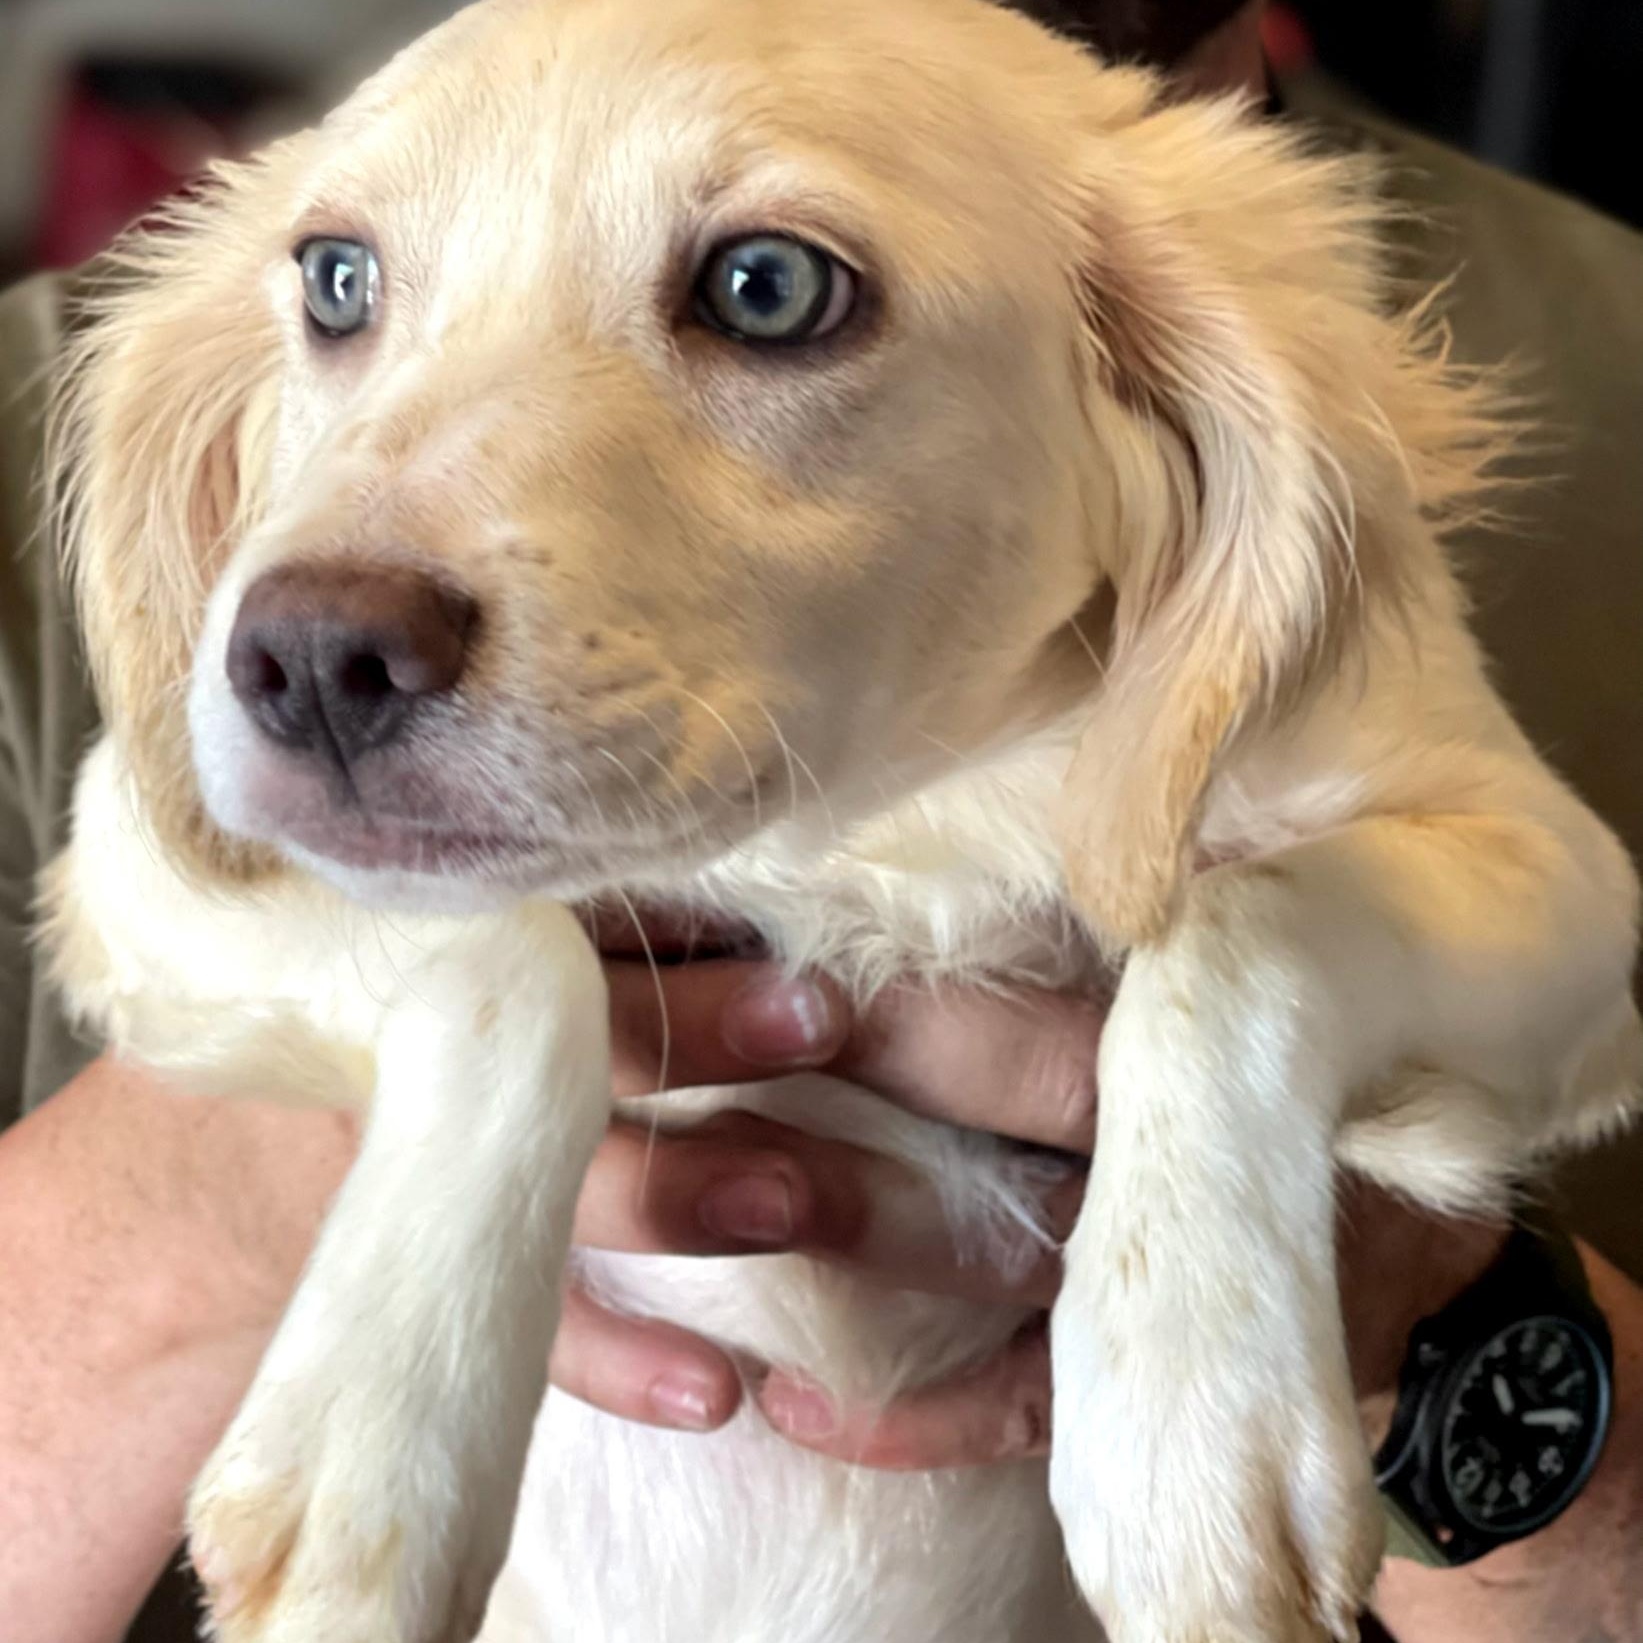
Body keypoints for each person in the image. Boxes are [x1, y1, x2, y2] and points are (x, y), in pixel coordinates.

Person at [1, 3, 1640, 1640]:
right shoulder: (86, 396)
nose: (324, 616)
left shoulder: (1491, 368)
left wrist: (1449, 1332)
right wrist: (351, 1114)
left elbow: (1537, 914)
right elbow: (167, 868)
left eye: (761, 288)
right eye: (345, 289)